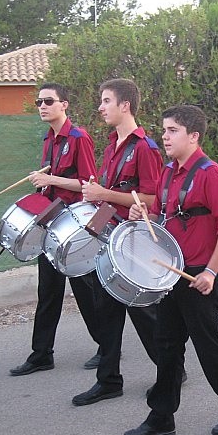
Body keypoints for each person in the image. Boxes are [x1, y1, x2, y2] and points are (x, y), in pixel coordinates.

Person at [123, 105, 218, 435]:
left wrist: (211, 272)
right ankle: (161, 417)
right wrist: (143, 214)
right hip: (173, 273)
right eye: (164, 130)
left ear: (193, 136)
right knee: (167, 345)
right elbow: (160, 216)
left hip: (202, 274)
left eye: (172, 131)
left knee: (208, 345)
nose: (164, 136)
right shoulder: (168, 172)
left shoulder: (212, 174)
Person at [75, 78, 165, 406]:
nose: (101, 107)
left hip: (132, 241)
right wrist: (97, 200)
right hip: (109, 239)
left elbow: (152, 197)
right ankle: (109, 379)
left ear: (125, 105)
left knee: (142, 311)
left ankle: (170, 368)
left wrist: (104, 194)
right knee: (107, 310)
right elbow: (114, 193)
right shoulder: (113, 144)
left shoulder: (145, 147)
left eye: (106, 101)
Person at [9, 82, 100, 377]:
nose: (42, 106)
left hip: (73, 224)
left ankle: (107, 345)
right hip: (52, 221)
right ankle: (41, 354)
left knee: (84, 290)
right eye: (39, 102)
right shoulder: (49, 140)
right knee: (47, 290)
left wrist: (52, 181)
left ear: (64, 105)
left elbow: (89, 185)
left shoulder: (78, 138)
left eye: (49, 101)